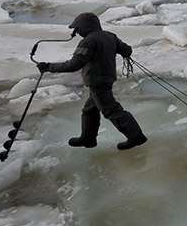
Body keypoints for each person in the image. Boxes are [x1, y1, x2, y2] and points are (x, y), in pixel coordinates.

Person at [37, 12, 148, 151]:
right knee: (90, 109)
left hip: (97, 80)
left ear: (84, 27)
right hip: (107, 78)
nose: (77, 32)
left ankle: (136, 136)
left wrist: (49, 67)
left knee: (111, 110)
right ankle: (88, 138)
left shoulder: (88, 41)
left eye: (77, 29)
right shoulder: (110, 36)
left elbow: (74, 65)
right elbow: (127, 50)